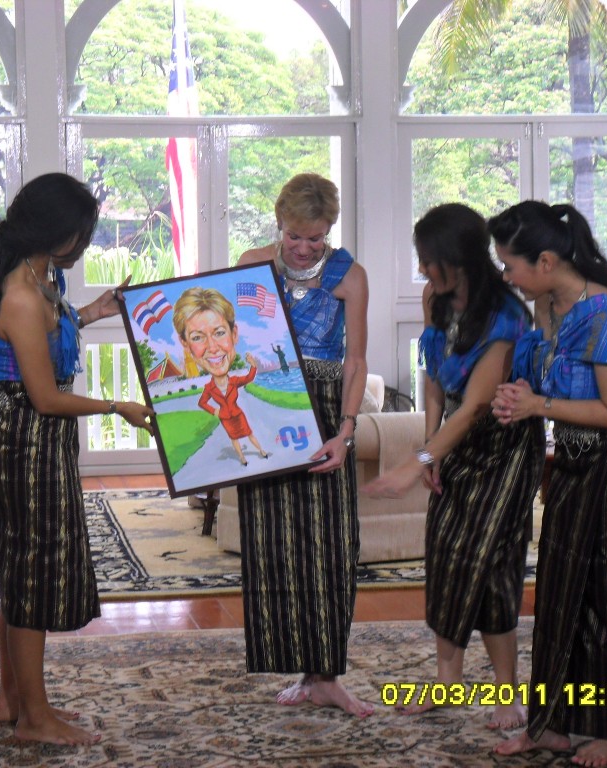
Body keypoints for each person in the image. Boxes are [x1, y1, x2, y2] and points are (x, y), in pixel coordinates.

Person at [0, 172, 154, 747]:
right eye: (83, 232)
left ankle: (13, 697)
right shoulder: (24, 294)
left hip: (28, 438)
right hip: (29, 439)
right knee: (32, 572)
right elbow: (45, 397)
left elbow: (50, 335)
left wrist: (95, 310)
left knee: (19, 569)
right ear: (61, 234)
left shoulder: (33, 275)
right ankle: (34, 720)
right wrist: (118, 405)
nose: (87, 242)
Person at [488, 201, 607, 767]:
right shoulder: (547, 301)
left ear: (545, 260)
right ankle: (552, 723)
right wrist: (518, 399)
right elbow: (547, 385)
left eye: (511, 266)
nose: (506, 277)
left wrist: (539, 405)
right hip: (573, 457)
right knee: (563, 589)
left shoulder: (606, 317)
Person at [362, 203, 544, 728]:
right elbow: (435, 377)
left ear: (456, 258)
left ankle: (507, 695)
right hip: (453, 439)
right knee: (445, 554)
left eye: (427, 259)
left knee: (488, 562)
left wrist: (412, 464)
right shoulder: (434, 298)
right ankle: (449, 684)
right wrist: (428, 444)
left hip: (504, 446)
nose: (421, 270)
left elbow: (475, 409)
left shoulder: (507, 315)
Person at [235, 172, 373, 717]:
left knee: (330, 546)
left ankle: (327, 673)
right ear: (279, 224)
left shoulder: (350, 275)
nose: (304, 247)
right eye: (295, 235)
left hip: (323, 410)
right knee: (273, 544)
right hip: (265, 403)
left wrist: (345, 431)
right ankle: (302, 671)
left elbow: (356, 360)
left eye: (316, 238)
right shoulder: (250, 265)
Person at [173, 287, 270, 465]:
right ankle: (242, 458)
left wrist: (253, 366)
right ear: (185, 345)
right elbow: (202, 402)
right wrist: (216, 411)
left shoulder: (233, 381)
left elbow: (248, 378)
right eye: (197, 337)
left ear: (234, 334)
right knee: (234, 438)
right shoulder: (209, 388)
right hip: (226, 418)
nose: (212, 347)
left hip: (238, 415)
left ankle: (261, 451)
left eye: (219, 333)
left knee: (249, 433)